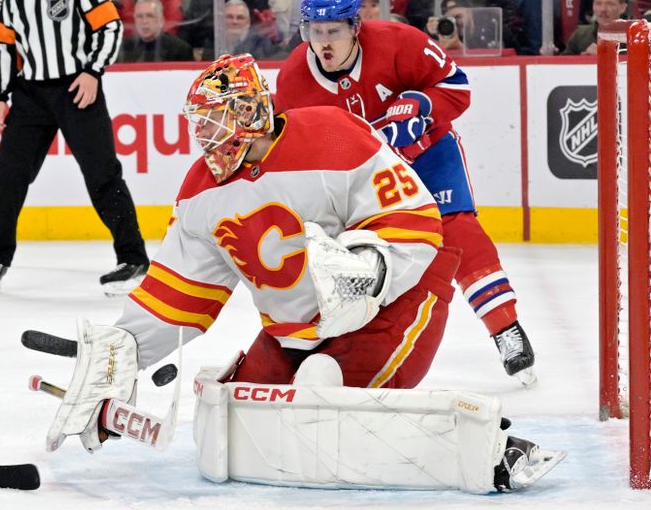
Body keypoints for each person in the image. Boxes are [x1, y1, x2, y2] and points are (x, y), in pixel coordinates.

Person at [39, 53, 562, 494]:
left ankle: (490, 448)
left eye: (213, 119)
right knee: (228, 418)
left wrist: (370, 270)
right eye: (198, 122)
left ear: (248, 110)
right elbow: (178, 296)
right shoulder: (201, 194)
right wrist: (119, 356)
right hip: (295, 333)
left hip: (396, 303)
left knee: (319, 403)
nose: (203, 135)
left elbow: (417, 220)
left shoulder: (333, 135)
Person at [275, 0, 537, 385]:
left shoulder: (400, 41)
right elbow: (297, 150)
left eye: (335, 31)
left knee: (458, 232)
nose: (324, 43)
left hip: (428, 156)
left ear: (355, 27)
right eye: (315, 31)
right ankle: (351, 347)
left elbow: (457, 86)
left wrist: (423, 103)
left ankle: (506, 328)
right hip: (364, 178)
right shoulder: (294, 79)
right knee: (359, 256)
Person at [0, 0, 150, 295]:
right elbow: (2, 44)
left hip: (76, 88)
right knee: (7, 177)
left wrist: (92, 72)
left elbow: (110, 24)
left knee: (102, 174)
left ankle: (133, 257)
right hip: (30, 95)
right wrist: (0, 96)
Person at [562, 0, 628, 55]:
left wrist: (604, 55)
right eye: (598, 3)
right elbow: (563, 65)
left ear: (622, 8)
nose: (603, 9)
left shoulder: (636, 38)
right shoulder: (580, 35)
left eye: (610, 4)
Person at [118, 0, 194, 62]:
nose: (144, 21)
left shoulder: (180, 49)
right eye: (139, 16)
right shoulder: (123, 48)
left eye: (150, 16)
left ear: (161, 21)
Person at [202, 0, 281, 60]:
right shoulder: (212, 41)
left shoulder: (260, 42)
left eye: (240, 18)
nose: (234, 21)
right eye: (229, 17)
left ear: (248, 22)